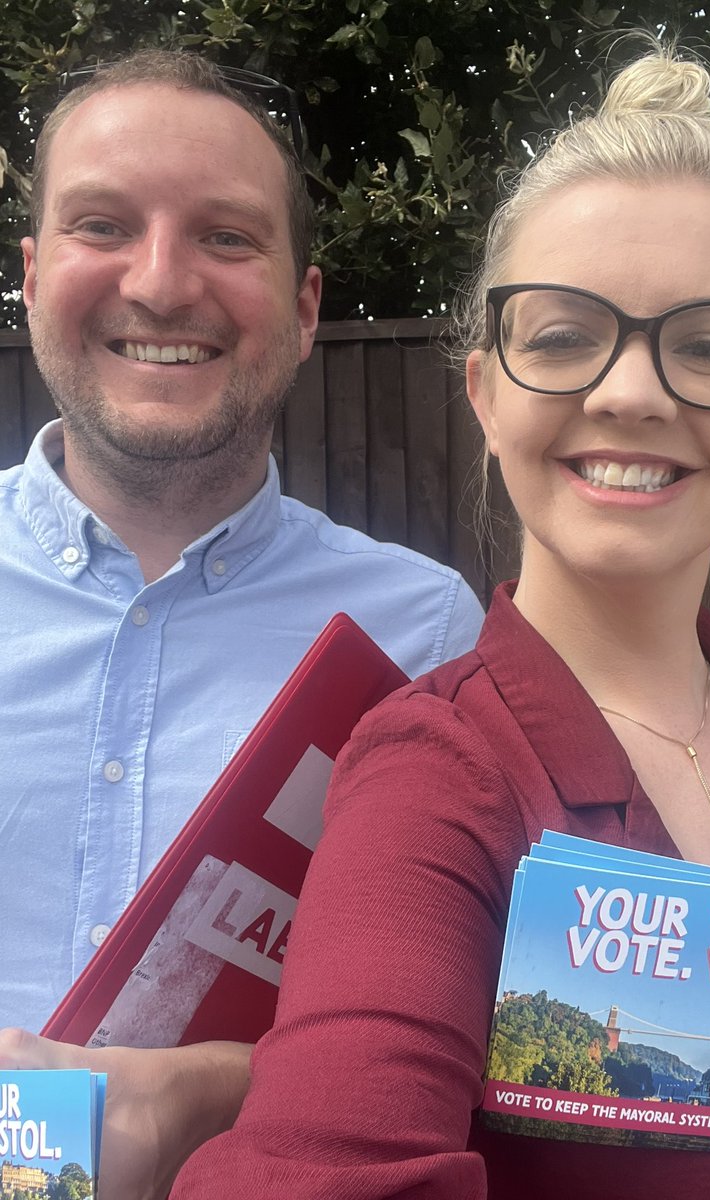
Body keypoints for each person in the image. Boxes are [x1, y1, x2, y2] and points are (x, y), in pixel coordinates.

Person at [169, 45, 710, 1200]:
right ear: (486, 391)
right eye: (564, 335)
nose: (632, 391)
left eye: (708, 345)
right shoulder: (437, 774)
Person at [0, 49, 482, 1199]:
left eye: (226, 236)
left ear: (307, 309)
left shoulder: (424, 638)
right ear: (29, 277)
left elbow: (461, 1044)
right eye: (103, 225)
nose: (161, 284)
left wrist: (203, 1091)